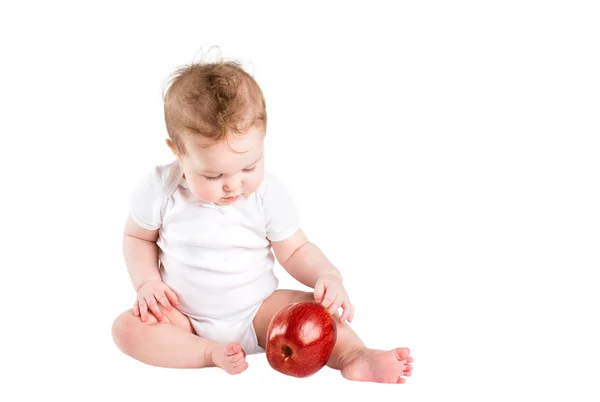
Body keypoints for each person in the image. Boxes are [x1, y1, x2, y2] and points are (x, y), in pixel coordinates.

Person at [111, 57, 414, 383]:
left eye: (248, 167)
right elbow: (138, 238)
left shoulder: (266, 193)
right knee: (126, 329)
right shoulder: (160, 189)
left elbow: (296, 249)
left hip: (261, 311)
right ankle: (206, 352)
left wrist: (327, 275)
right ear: (178, 152)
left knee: (316, 310)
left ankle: (356, 357)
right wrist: (147, 284)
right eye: (213, 174)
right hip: (183, 318)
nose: (233, 185)